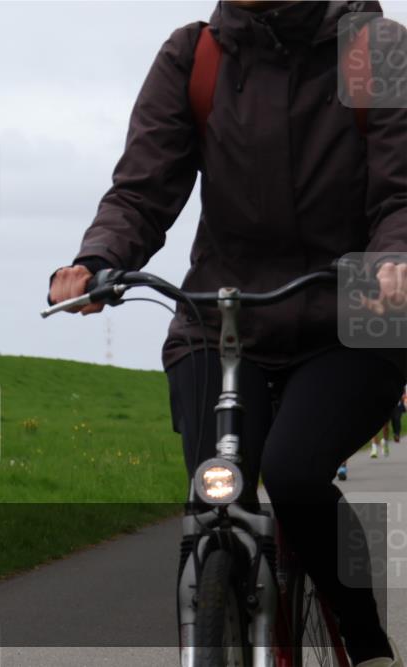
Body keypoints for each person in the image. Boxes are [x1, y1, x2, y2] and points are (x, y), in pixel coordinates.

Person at [48, 2, 406, 666]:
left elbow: (401, 192)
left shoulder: (378, 50)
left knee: (296, 475)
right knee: (219, 492)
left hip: (350, 321)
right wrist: (97, 260)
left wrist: (395, 256)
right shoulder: (195, 57)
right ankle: (220, 623)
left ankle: (366, 641)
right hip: (221, 319)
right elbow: (141, 189)